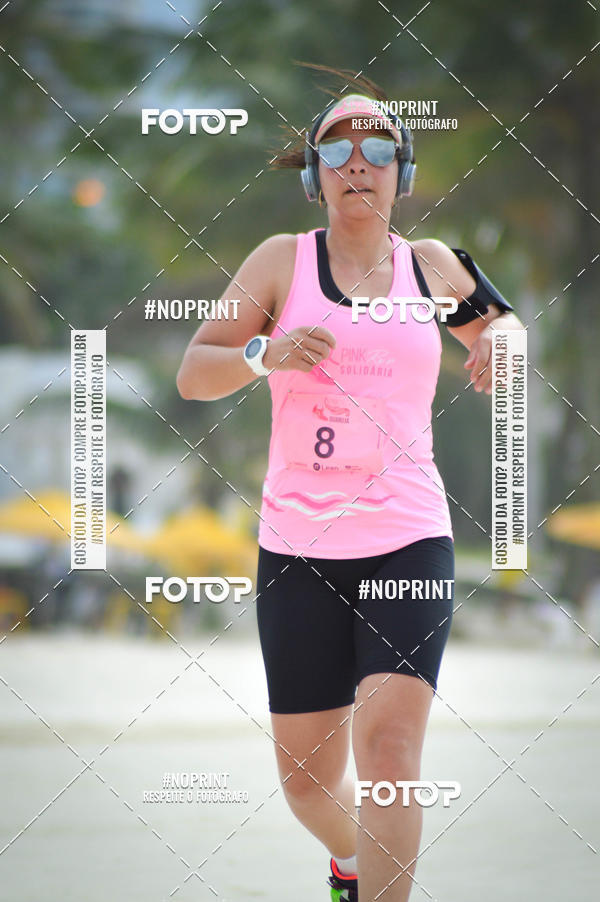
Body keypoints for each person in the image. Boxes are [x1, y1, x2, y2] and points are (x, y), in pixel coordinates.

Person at [177, 68, 524, 902]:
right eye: (336, 150)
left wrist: (497, 344)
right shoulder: (281, 262)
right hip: (297, 549)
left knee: (391, 754)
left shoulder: (433, 266)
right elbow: (194, 373)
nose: (357, 162)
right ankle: (354, 863)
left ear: (402, 173)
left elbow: (506, 324)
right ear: (315, 174)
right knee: (305, 783)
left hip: (409, 537)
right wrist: (263, 352)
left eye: (378, 149)